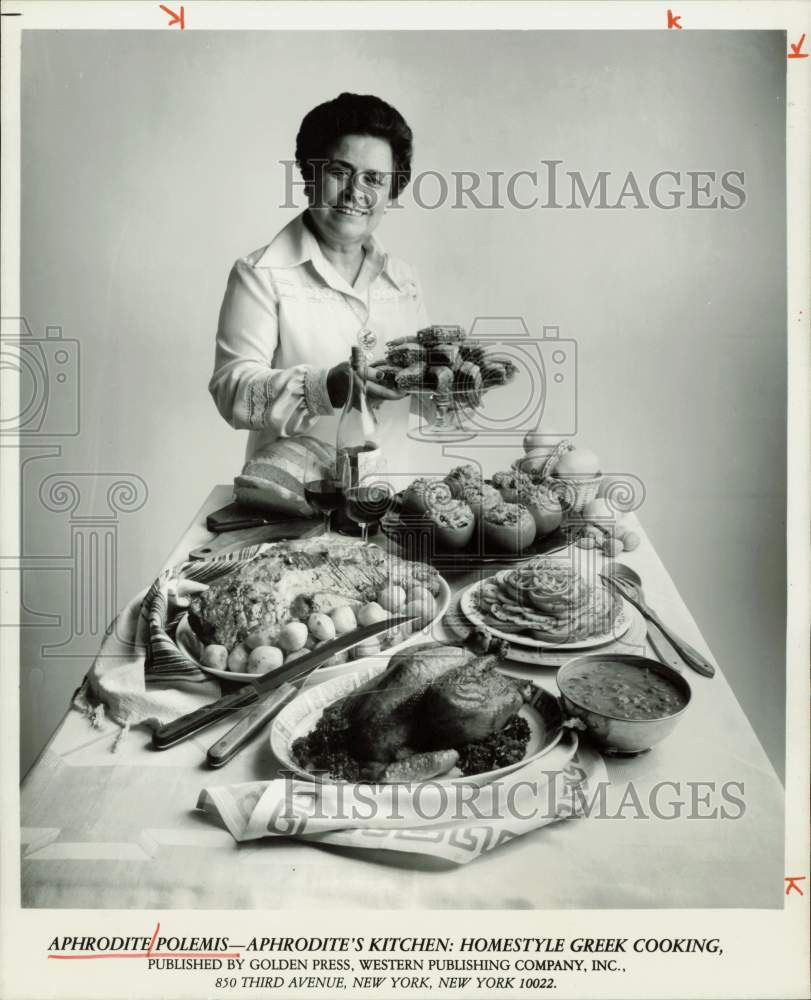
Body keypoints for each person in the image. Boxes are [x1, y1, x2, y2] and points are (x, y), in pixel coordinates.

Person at [209, 92, 429, 467]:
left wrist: (450, 386)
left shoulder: (404, 280)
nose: (356, 192)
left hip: (396, 496)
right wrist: (325, 388)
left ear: (392, 191)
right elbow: (232, 390)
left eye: (374, 179)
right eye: (339, 172)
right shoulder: (261, 273)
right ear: (309, 176)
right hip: (298, 499)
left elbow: (427, 400)